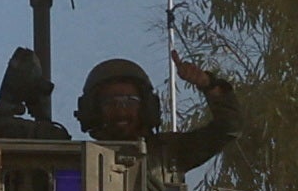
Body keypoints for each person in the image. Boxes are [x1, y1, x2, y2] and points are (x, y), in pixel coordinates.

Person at [73, 53, 242, 175]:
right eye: (110, 102)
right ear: (93, 109)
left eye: (130, 100)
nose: (121, 110)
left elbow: (229, 128)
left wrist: (209, 85)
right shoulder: (77, 161)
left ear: (147, 106)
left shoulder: (172, 152)